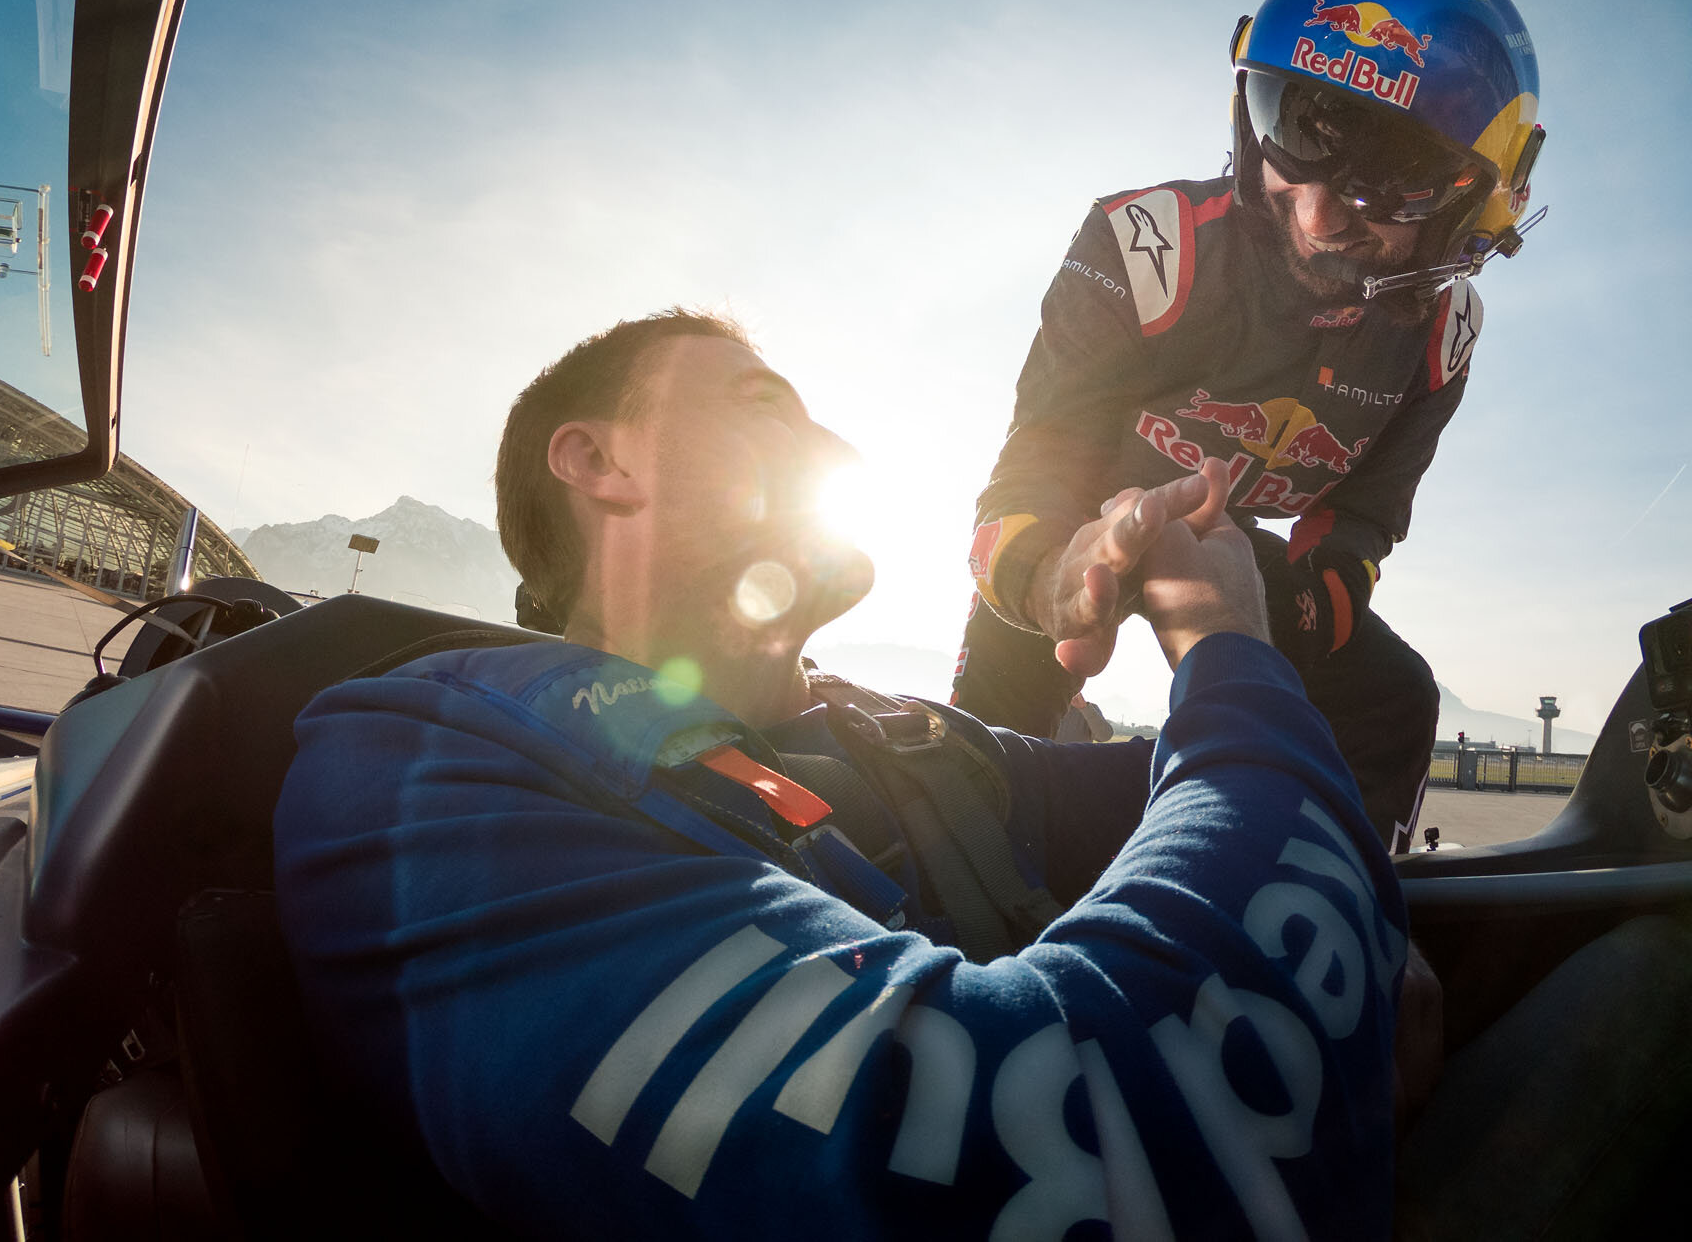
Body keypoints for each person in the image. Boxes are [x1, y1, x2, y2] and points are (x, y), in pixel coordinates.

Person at [274, 308, 1412, 1238]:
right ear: (600, 461)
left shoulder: (903, 738)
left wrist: (1205, 590)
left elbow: (1258, 808)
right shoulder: (424, 772)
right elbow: (1068, 1126)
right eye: (764, 403)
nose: (844, 453)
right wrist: (1224, 650)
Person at [951, 0, 1545, 853]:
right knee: (971, 771)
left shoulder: (1443, 338)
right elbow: (1023, 481)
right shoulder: (1145, 246)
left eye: (1397, 180)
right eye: (1300, 129)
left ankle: (1337, 908)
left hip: (1247, 557)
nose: (1314, 212)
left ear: (1484, 204)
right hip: (1086, 526)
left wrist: (1300, 615)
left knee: (1396, 699)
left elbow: (1362, 523)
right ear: (1246, 101)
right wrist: (1049, 580)